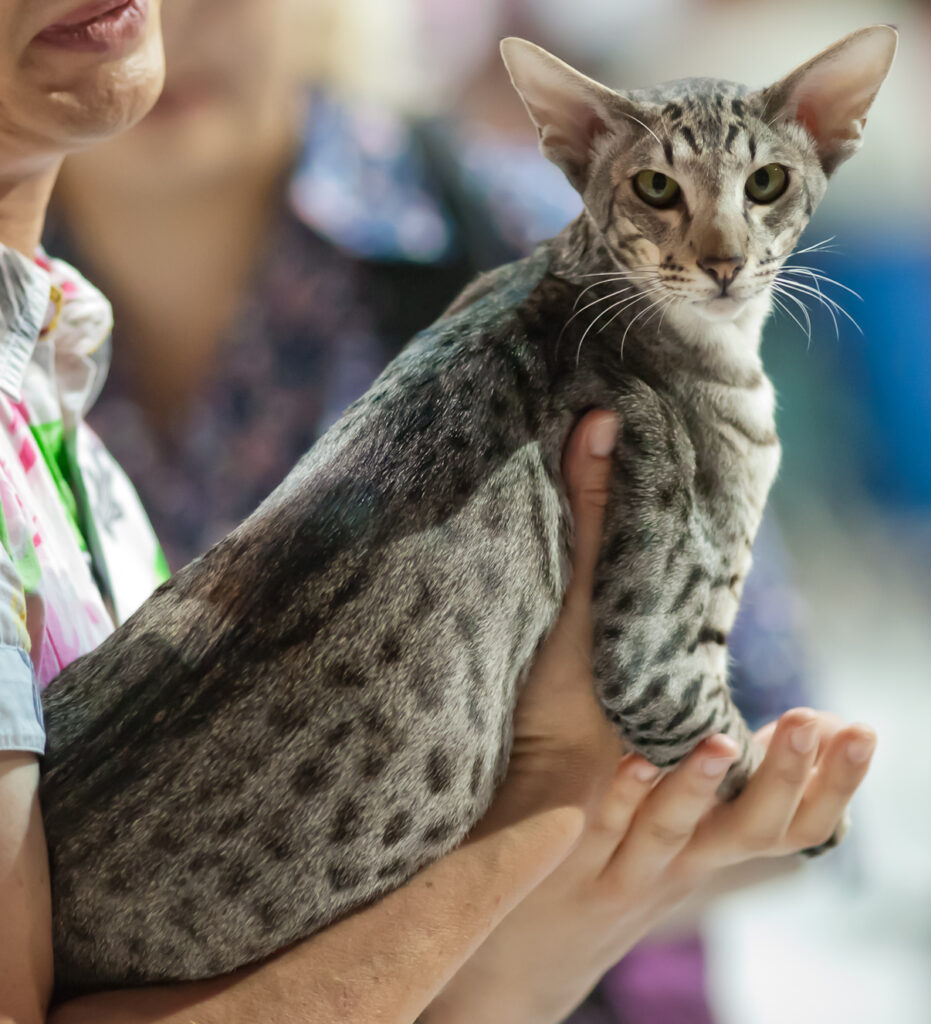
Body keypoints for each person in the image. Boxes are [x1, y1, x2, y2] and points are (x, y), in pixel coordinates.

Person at [0, 2, 876, 1023]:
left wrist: (543, 904)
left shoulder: (506, 227)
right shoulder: (34, 300)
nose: (173, 17)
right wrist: (517, 863)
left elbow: (758, 744)